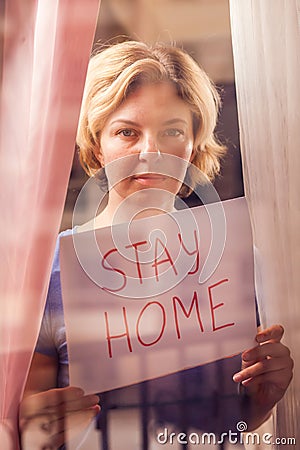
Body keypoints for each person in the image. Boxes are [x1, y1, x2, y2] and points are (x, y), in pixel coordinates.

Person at [19, 40, 293, 449]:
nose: (152, 151)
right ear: (96, 144)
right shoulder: (47, 272)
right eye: (127, 132)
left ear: (193, 145)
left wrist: (259, 405)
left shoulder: (238, 264)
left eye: (173, 131)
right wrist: (30, 427)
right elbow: (27, 420)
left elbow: (230, 421)